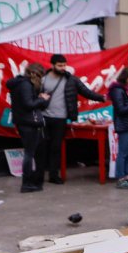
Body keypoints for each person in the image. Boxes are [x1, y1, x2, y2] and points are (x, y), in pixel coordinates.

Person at [40, 54, 105, 184]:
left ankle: (53, 175)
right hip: (43, 117)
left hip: (61, 118)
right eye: (60, 65)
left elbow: (86, 92)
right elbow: (32, 94)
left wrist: (103, 98)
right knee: (42, 146)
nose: (63, 68)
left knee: (56, 147)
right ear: (52, 65)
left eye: (64, 65)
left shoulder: (71, 79)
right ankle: (39, 175)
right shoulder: (43, 79)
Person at [7, 62, 51, 193]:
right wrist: (42, 99)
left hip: (26, 121)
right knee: (29, 153)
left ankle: (31, 181)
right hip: (28, 122)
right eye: (40, 75)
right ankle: (27, 183)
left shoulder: (22, 83)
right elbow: (28, 104)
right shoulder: (25, 84)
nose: (41, 79)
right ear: (33, 73)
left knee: (32, 152)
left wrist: (40, 99)